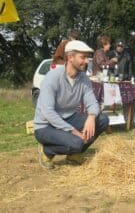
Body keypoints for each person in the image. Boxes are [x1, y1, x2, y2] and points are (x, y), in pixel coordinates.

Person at [34, 40, 109, 169]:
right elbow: (48, 113)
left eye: (87, 57)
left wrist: (91, 117)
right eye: (83, 57)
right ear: (70, 57)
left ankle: (74, 155)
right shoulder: (52, 77)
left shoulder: (83, 79)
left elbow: (93, 103)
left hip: (69, 118)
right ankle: (47, 151)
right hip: (45, 126)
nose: (87, 61)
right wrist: (75, 132)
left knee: (102, 120)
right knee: (77, 142)